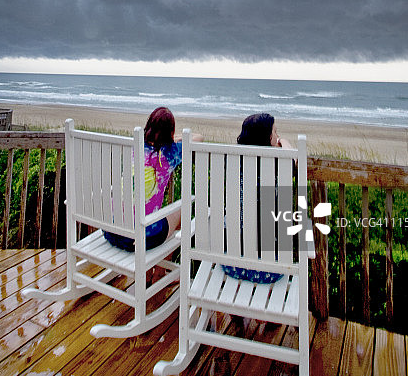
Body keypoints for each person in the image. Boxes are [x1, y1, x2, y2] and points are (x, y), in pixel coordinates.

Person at [104, 107, 202, 251]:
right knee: (182, 210)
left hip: (110, 231)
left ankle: (154, 272)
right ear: (171, 132)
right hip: (139, 238)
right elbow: (199, 137)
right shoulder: (170, 152)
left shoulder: (135, 146)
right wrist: (174, 138)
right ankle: (158, 271)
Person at [222, 112, 294, 284]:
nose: (277, 136)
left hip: (231, 264)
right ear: (269, 138)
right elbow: (294, 157)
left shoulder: (231, 162)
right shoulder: (277, 165)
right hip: (269, 270)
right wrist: (283, 142)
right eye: (275, 132)